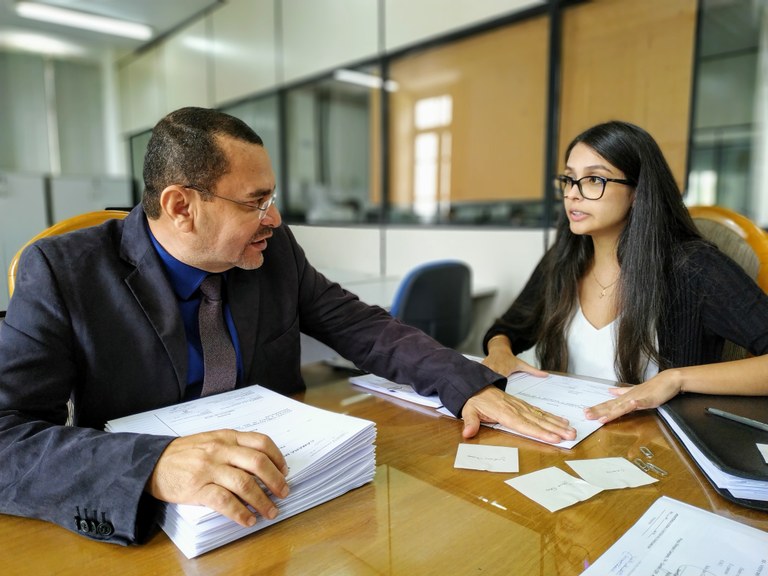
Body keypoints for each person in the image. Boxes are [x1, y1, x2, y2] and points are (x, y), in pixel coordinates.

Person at [0, 107, 574, 546]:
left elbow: (361, 326)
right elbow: (6, 437)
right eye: (255, 202)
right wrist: (148, 465)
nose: (274, 218)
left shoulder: (273, 253)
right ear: (180, 207)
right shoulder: (61, 273)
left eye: (272, 198)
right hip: (159, 524)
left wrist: (466, 380)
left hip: (293, 493)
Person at [482, 120, 768, 423]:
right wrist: (499, 349)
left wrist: (677, 379)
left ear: (637, 192)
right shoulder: (563, 258)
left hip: (656, 448)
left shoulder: (694, 267)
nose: (572, 195)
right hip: (564, 431)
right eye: (569, 179)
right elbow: (510, 328)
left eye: (594, 179)